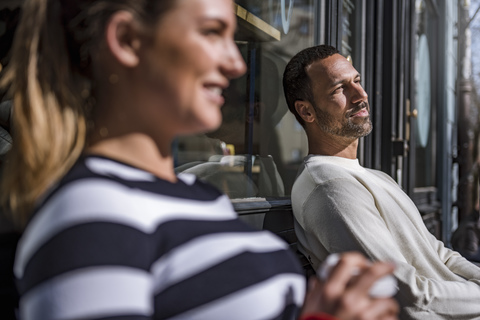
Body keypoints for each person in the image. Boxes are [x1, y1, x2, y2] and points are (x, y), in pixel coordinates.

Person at [0, 1, 398, 319]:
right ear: (126, 40)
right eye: (212, 33)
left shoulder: (197, 194)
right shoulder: (87, 214)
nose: (236, 64)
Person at [283, 44, 480, 319]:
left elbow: (439, 255)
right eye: (340, 89)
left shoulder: (375, 177)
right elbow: (407, 295)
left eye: (357, 81)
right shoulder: (329, 187)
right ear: (306, 112)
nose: (361, 95)